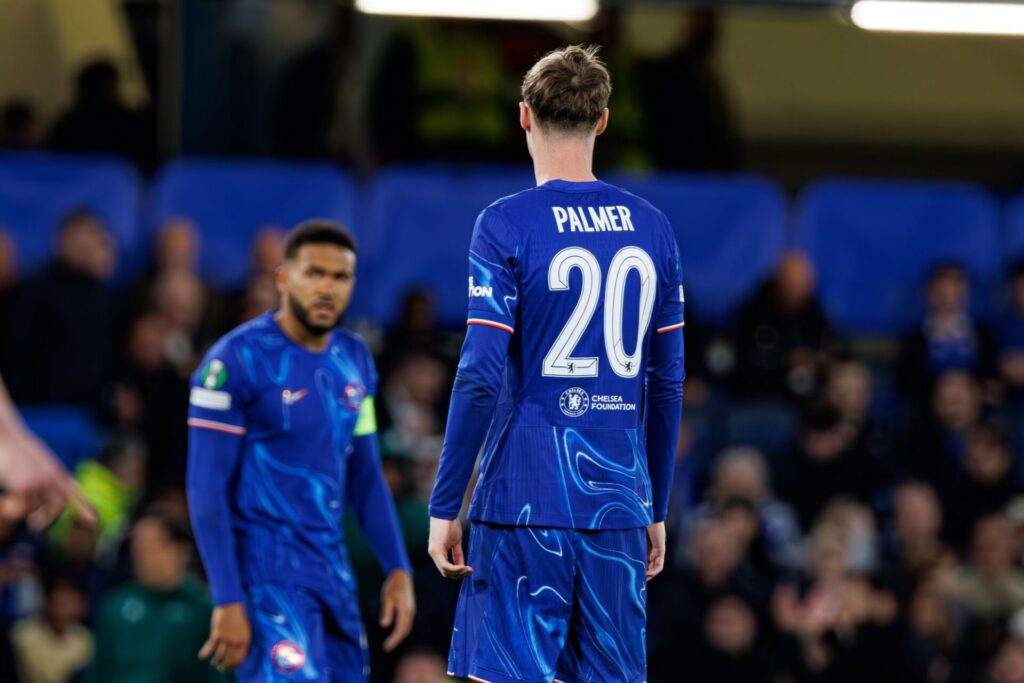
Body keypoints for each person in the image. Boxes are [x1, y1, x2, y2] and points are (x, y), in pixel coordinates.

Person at [427, 45, 685, 683]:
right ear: (603, 121)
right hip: (618, 505)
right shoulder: (654, 229)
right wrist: (654, 505)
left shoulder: (504, 225)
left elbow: (480, 373)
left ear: (523, 117)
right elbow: (668, 381)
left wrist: (445, 502)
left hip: (521, 497)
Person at [186, 221, 415, 681]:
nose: (327, 287)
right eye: (314, 273)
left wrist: (398, 567)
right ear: (283, 278)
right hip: (266, 575)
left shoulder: (355, 360)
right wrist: (228, 597)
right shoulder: (233, 362)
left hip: (333, 575)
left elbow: (365, 475)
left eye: (340, 276)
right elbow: (206, 487)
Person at [86, 510, 225, 683]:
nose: (141, 555)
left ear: (181, 552)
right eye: (137, 547)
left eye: (151, 546)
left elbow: (215, 676)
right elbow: (98, 671)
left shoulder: (205, 609)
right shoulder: (114, 604)